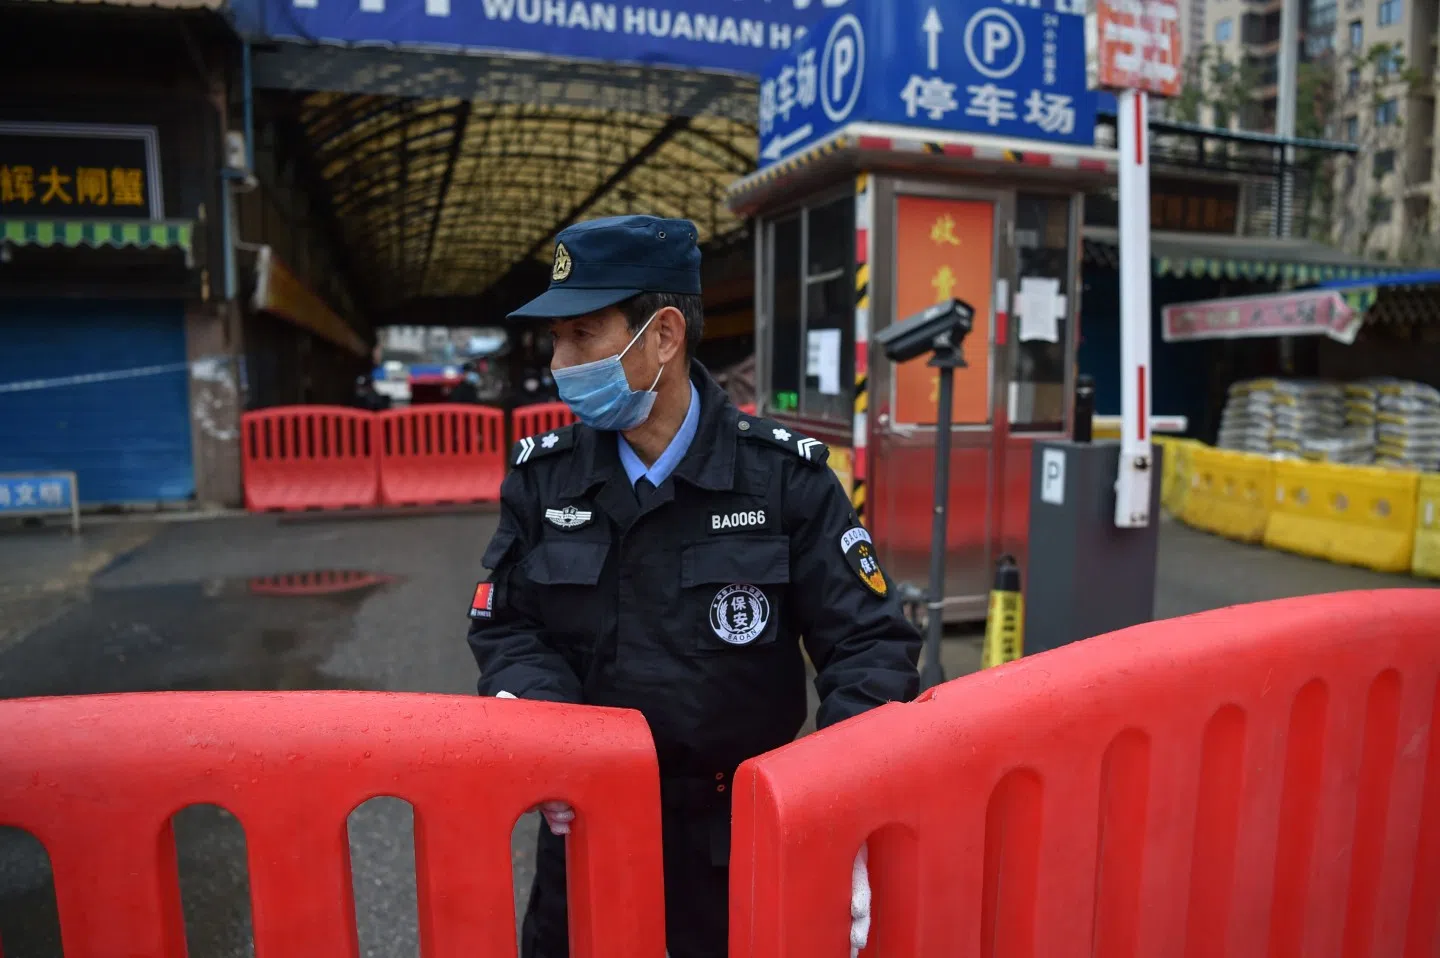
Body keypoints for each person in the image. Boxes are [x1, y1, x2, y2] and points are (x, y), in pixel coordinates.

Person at [465, 215, 921, 958]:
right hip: (585, 840)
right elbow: (507, 624)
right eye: (554, 340)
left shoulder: (783, 482)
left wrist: (846, 810)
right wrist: (542, 721)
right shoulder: (545, 479)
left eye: (581, 335)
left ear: (664, 336)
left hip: (735, 842)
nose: (559, 361)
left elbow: (870, 644)